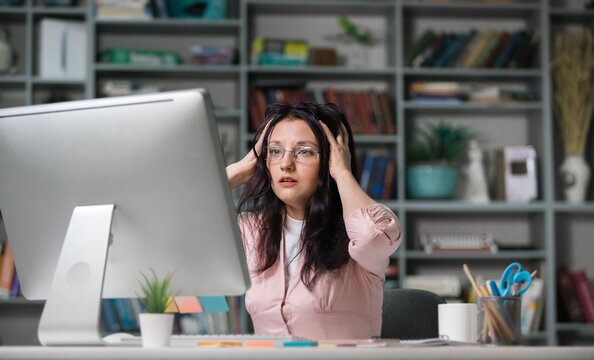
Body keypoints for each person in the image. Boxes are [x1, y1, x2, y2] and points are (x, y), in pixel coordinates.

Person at [226, 102, 401, 340]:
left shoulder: (357, 229)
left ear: (331, 158)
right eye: (275, 151)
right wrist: (233, 174)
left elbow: (375, 236)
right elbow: (176, 228)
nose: (285, 164)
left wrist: (342, 173)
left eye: (304, 151)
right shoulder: (251, 230)